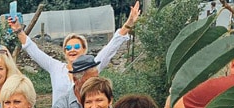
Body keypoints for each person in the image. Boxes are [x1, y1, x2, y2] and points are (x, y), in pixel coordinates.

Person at [7, 2, 139, 101]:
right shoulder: (55, 68)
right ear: (64, 52)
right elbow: (33, 50)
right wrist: (19, 30)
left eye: (76, 47)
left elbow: (111, 48)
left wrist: (128, 24)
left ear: (84, 50)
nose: (72, 50)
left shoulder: (92, 66)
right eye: (68, 48)